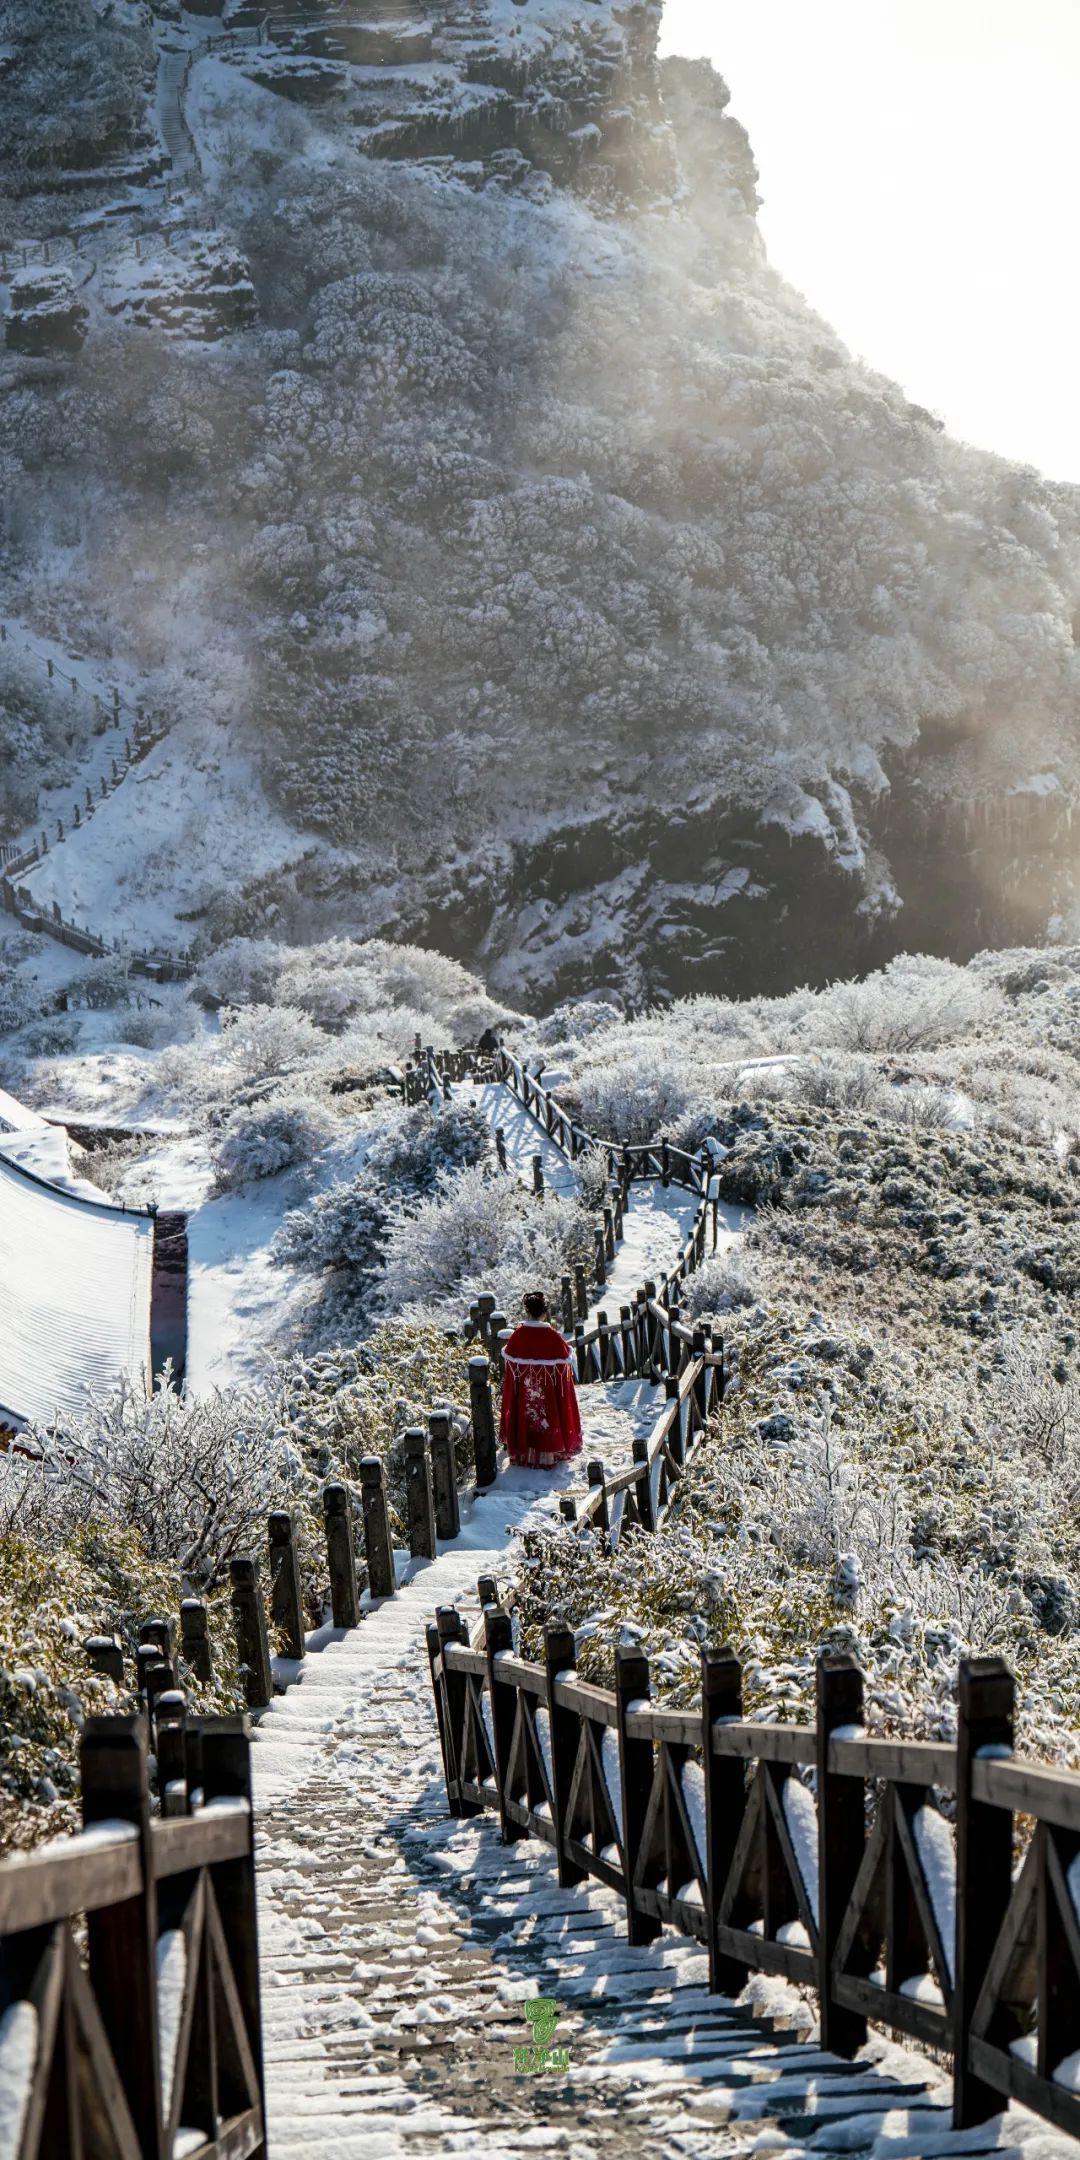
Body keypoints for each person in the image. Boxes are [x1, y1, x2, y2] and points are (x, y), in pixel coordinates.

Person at [499, 1290, 583, 1469]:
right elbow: (564, 1365)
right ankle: (550, 1454)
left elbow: (509, 1374)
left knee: (526, 1414)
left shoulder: (518, 1336)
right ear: (545, 1312)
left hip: (524, 1393)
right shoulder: (553, 1337)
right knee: (547, 1417)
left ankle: (524, 1455)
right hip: (549, 1394)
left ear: (527, 1311)